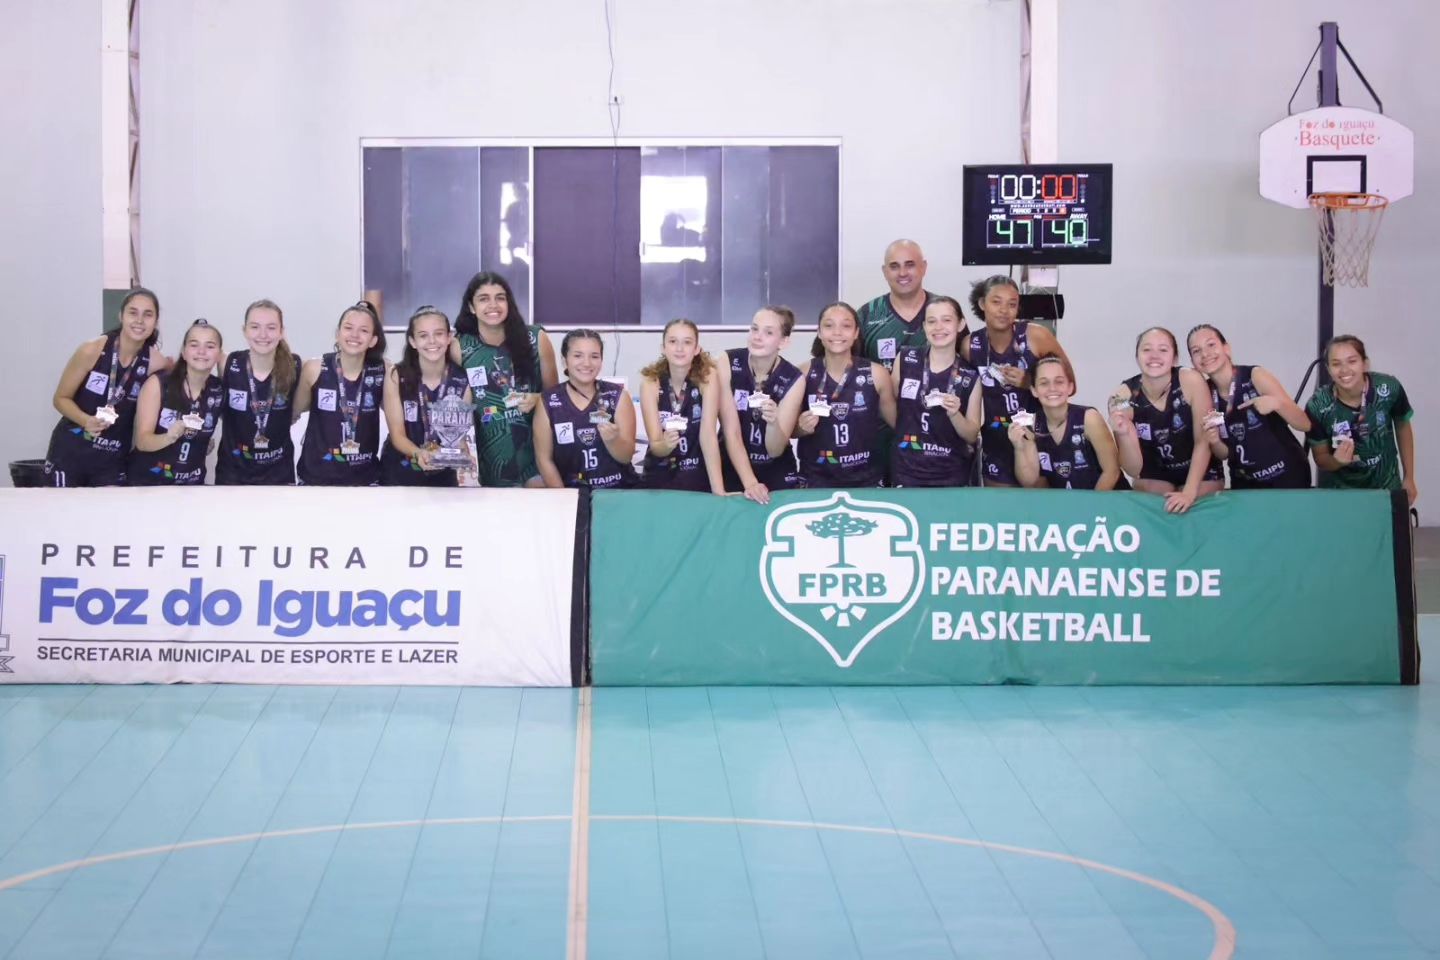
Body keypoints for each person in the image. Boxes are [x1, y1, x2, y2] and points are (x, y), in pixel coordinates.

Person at [43, 287, 169, 486]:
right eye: (133, 312)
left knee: (110, 516)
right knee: (63, 514)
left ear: (155, 321)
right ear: (121, 315)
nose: (139, 321)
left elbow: (182, 374)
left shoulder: (155, 362)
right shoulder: (92, 349)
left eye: (148, 315)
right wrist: (86, 420)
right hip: (70, 452)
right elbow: (60, 398)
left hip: (112, 459)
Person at [449, 271, 558, 487]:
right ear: (471, 307)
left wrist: (539, 399)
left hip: (537, 460)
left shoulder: (536, 338)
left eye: (500, 297)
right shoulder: (460, 347)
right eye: (483, 299)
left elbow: (558, 399)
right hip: (493, 463)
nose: (493, 305)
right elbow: (456, 403)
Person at [965, 275, 1068, 487]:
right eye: (996, 302)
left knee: (1039, 513)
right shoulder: (969, 346)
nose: (1004, 310)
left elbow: (1070, 382)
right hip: (996, 444)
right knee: (1003, 515)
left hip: (1038, 439)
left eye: (1012, 304)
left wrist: (1030, 382)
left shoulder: (1036, 336)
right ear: (982, 303)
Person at [780, 302, 897, 488]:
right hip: (816, 480)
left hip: (867, 480)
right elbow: (786, 432)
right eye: (829, 325)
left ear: (856, 332)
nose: (837, 332)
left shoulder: (876, 374)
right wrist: (800, 428)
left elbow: (898, 425)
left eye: (846, 325)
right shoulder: (802, 374)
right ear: (819, 332)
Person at [1110, 326, 1222, 513]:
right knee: (1157, 507)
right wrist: (1123, 433)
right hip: (1156, 471)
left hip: (1198, 467)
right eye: (1146, 350)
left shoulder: (1191, 380)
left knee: (1196, 506)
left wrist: (1188, 492)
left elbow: (1204, 440)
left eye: (1163, 350)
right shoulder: (1121, 395)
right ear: (1137, 356)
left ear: (1174, 358)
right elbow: (1133, 469)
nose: (1154, 356)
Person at [1186, 324, 1311, 490]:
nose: (1205, 354)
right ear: (1193, 363)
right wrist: (1215, 441)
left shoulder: (1256, 376)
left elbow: (1304, 424)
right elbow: (1224, 454)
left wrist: (1277, 403)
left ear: (1226, 348)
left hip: (1287, 476)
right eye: (1196, 351)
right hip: (1245, 484)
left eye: (1211, 345)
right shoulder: (1205, 394)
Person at [1305, 334, 1418, 505]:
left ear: (1365, 363)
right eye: (1336, 364)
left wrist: (1409, 477)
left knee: (1389, 531)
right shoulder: (1318, 405)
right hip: (1340, 494)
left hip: (1386, 487)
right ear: (1328, 369)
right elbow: (1320, 458)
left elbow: (1403, 426)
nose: (1344, 370)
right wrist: (1336, 461)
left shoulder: (1388, 388)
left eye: (1352, 361)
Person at [890, 296, 982, 487]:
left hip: (950, 474)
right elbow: (892, 407)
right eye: (932, 321)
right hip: (907, 471)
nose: (938, 327)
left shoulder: (970, 376)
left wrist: (955, 414)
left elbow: (971, 435)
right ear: (924, 326)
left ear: (960, 324)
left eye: (947, 320)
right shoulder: (905, 359)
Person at [717, 307, 805, 504]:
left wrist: (773, 422)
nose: (757, 337)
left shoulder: (793, 378)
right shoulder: (727, 362)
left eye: (768, 332)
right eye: (754, 329)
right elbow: (732, 432)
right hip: (732, 463)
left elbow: (775, 450)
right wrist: (750, 483)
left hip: (774, 469)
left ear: (783, 341)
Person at [295, 301, 388, 486]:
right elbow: (293, 411)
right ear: (338, 334)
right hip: (316, 479)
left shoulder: (383, 371)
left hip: (365, 480)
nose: (354, 335)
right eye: (348, 328)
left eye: (363, 330)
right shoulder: (314, 369)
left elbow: (399, 420)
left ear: (373, 340)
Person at [380, 306, 472, 487]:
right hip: (398, 473)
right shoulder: (396, 375)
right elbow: (397, 435)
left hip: (443, 476)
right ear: (413, 341)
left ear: (448, 338)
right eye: (423, 335)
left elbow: (457, 434)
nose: (432, 341)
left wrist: (464, 453)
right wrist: (418, 453)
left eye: (438, 334)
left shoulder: (462, 379)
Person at [534, 329, 638, 489]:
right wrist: (563, 498)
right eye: (578, 355)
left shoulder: (617, 396)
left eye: (594, 356)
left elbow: (626, 457)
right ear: (564, 360)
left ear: (601, 360)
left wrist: (612, 440)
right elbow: (544, 459)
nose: (587, 363)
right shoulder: (548, 401)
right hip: (571, 494)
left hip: (617, 490)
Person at [128, 319, 225, 486]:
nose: (201, 351)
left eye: (210, 346)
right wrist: (169, 437)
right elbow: (142, 441)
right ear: (184, 351)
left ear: (218, 354)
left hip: (192, 485)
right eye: (194, 345)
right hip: (149, 482)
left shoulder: (220, 389)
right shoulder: (158, 383)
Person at [215, 299, 302, 485]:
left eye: (271, 327)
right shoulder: (227, 363)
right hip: (233, 472)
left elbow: (297, 409)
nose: (263, 335)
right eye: (255, 327)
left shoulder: (294, 366)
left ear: (281, 332)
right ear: (244, 330)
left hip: (278, 472)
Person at [1011, 356, 1122, 490]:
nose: (1052, 388)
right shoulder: (1030, 425)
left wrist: (1092, 508)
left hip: (1105, 502)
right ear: (1034, 390)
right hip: (1065, 504)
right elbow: (1030, 482)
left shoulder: (1089, 418)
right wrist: (1019, 448)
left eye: (1059, 382)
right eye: (1044, 383)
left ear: (1070, 387)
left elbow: (1112, 471)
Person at [638, 319, 724, 493]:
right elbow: (655, 444)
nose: (679, 348)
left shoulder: (708, 377)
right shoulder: (650, 383)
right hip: (659, 475)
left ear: (696, 349)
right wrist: (666, 445)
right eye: (672, 341)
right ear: (663, 348)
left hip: (697, 476)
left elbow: (708, 436)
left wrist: (719, 491)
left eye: (687, 342)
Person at [856, 240, 955, 369]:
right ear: (885, 271)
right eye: (894, 266)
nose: (902, 273)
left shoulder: (946, 309)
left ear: (923, 267)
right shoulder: (867, 314)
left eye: (910, 265)